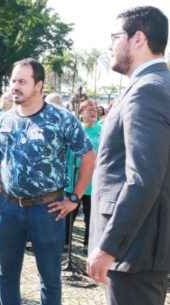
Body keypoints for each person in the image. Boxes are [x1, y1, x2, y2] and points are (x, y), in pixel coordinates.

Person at [0, 58, 96, 305]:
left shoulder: (61, 119)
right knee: (5, 275)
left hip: (48, 210)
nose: (15, 86)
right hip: (9, 208)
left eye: (22, 81)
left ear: (39, 85)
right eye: (13, 81)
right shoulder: (3, 120)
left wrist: (74, 198)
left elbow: (88, 157)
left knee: (50, 279)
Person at [88, 7, 170, 305]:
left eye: (115, 37)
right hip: (140, 248)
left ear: (138, 39)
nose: (111, 45)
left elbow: (144, 178)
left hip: (134, 251)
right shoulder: (154, 86)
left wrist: (110, 246)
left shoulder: (146, 91)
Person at [65, 99, 101, 250]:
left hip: (93, 181)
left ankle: (88, 244)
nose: (93, 111)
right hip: (75, 178)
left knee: (91, 215)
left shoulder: (102, 130)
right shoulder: (76, 130)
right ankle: (65, 243)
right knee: (69, 214)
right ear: (81, 113)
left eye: (94, 109)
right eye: (88, 109)